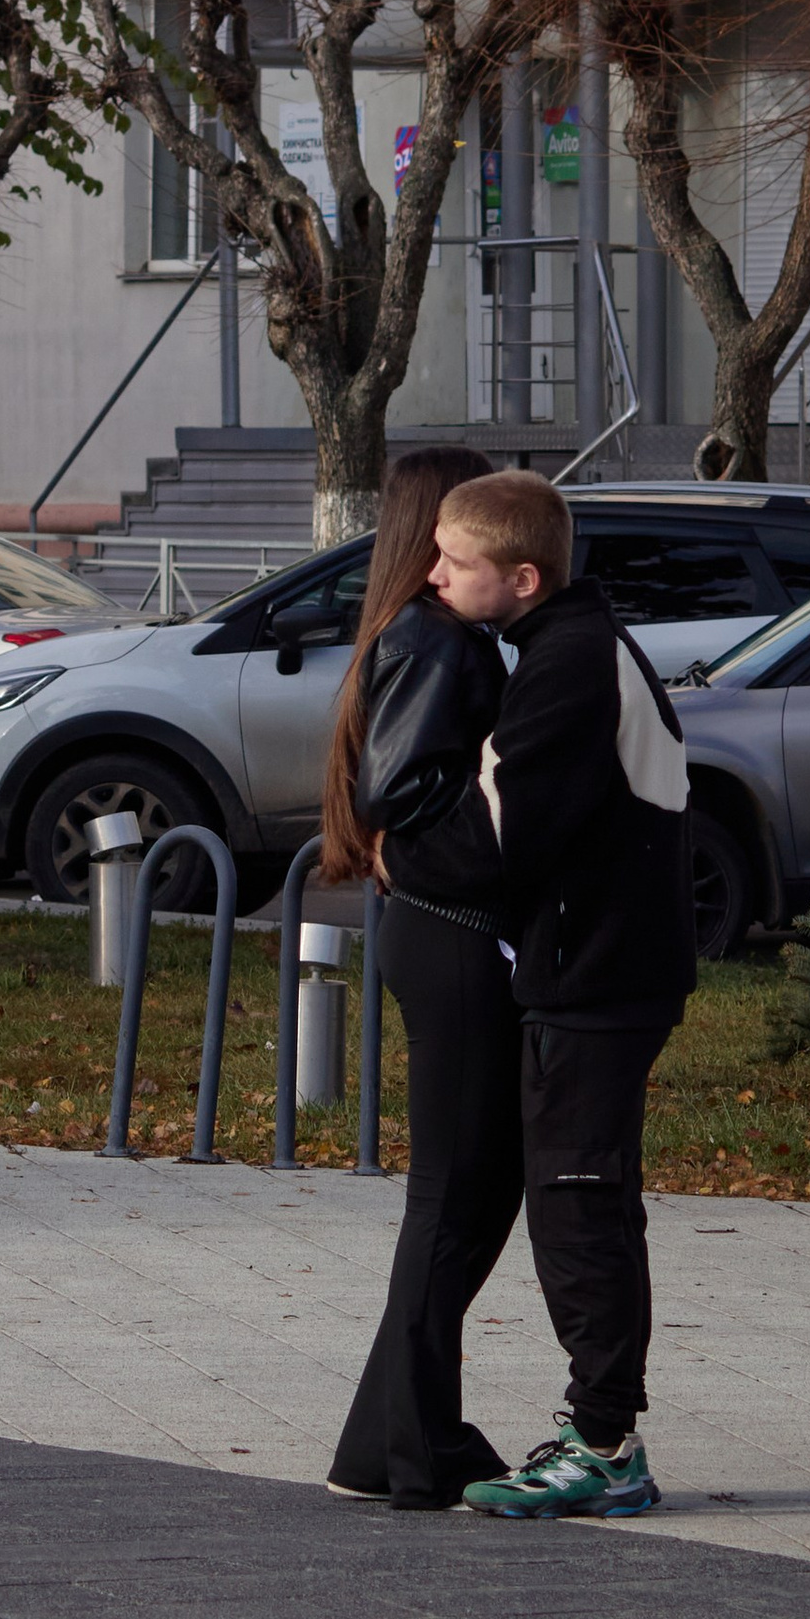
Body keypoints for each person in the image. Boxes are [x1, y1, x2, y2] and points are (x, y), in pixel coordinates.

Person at [427, 469, 698, 1520]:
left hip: (601, 978)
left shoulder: (571, 664)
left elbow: (498, 833)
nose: (436, 575)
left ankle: (603, 1444)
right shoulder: (566, 643)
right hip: (598, 968)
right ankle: (598, 1428)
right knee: (584, 1201)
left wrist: (393, 852)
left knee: (579, 1205)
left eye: (456, 563)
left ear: (523, 577)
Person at [317, 446, 524, 1512]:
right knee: (459, 1195)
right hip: (451, 935)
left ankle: (383, 1435)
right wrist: (453, 853)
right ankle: (418, 1447)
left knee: (464, 1192)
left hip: (437, 932)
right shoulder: (438, 640)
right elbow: (402, 788)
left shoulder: (416, 633)